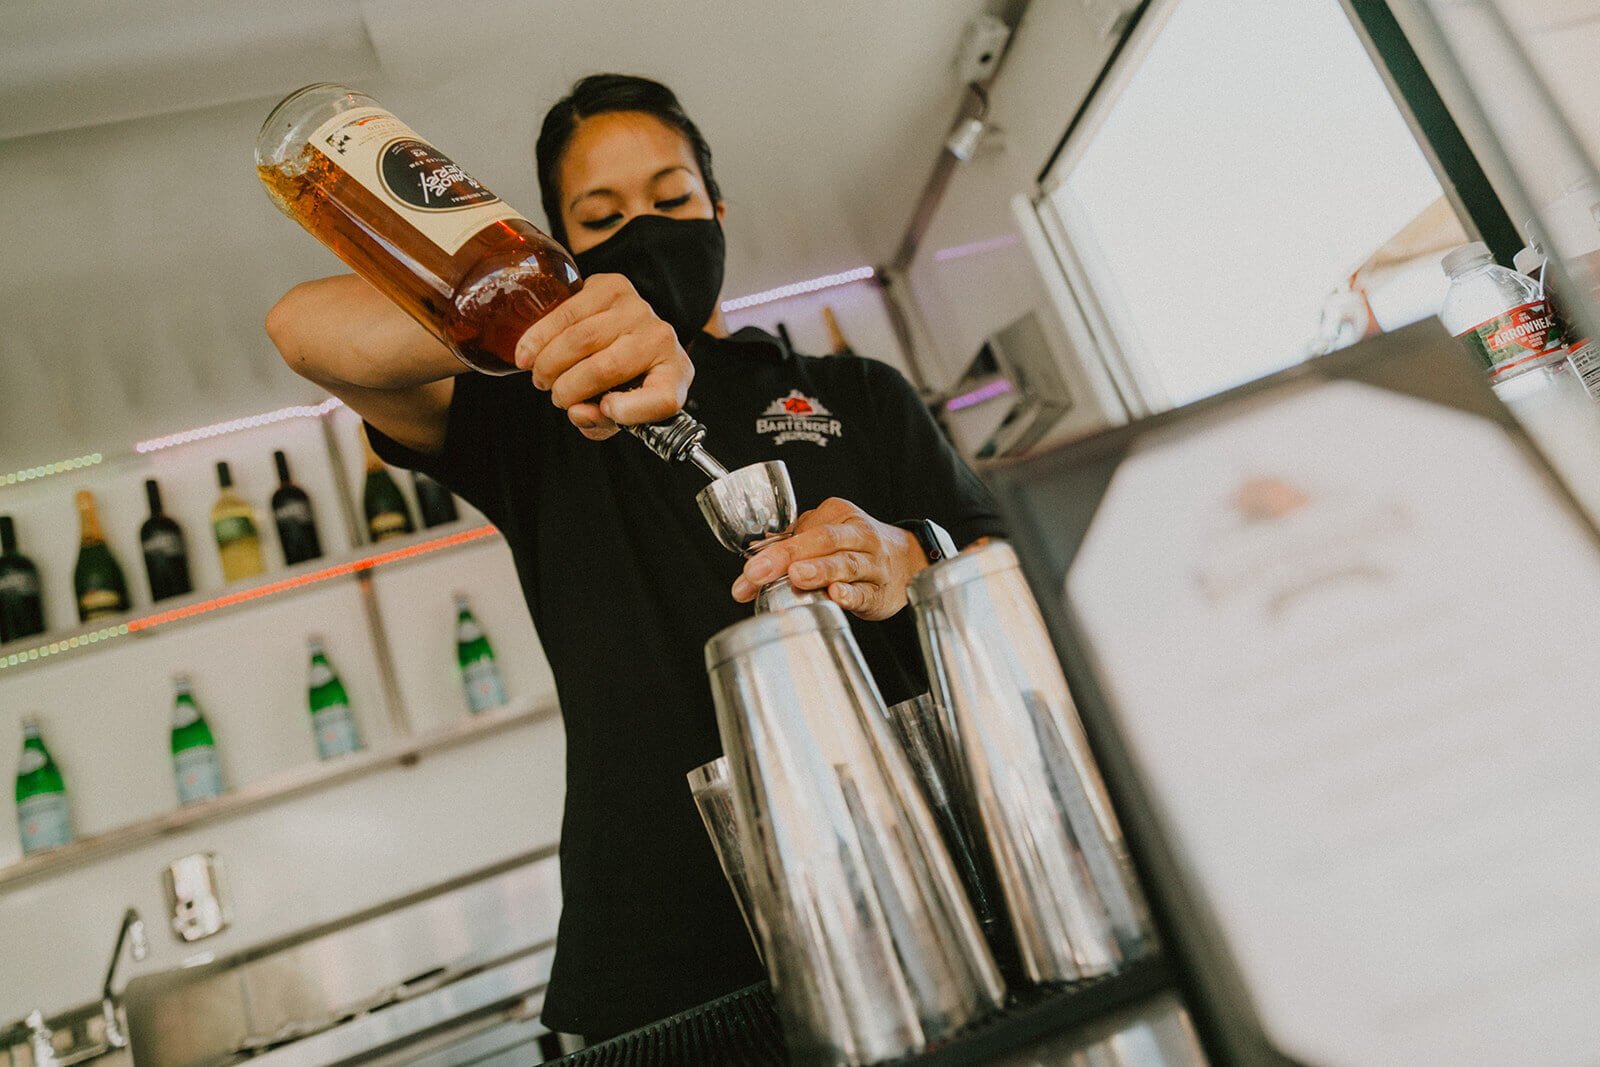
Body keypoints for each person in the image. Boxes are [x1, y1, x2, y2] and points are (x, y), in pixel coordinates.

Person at [265, 73, 1004, 1041]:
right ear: (562, 243)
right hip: (664, 956)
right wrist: (527, 313)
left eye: (671, 197)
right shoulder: (527, 407)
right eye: (601, 215)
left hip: (926, 888)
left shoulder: (852, 389)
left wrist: (908, 555)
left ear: (717, 208)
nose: (646, 227)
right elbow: (306, 332)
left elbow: (999, 563)